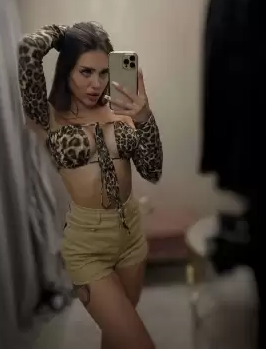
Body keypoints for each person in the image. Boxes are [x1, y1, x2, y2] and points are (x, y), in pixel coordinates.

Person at [18, 22, 163, 349]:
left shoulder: (121, 108)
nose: (96, 84)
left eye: (103, 72)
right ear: (66, 69)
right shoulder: (47, 116)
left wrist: (144, 117)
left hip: (130, 234)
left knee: (117, 336)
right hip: (87, 244)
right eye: (85, 72)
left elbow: (152, 170)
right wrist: (64, 33)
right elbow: (28, 48)